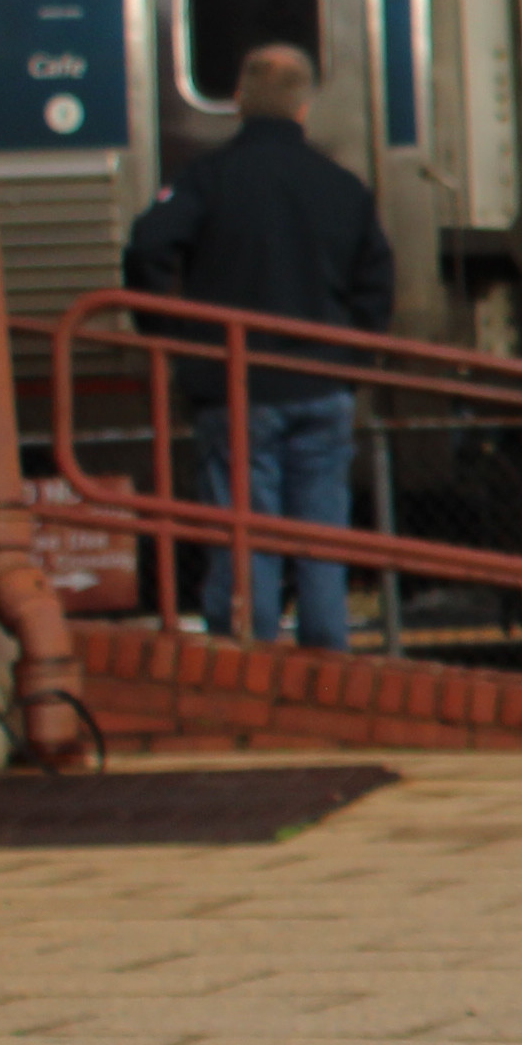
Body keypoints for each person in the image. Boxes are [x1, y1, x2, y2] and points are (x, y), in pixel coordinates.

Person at [121, 43, 394, 651]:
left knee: (246, 534)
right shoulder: (342, 186)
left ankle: (252, 656)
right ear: (304, 107)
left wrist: (167, 337)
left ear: (240, 102)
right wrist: (352, 361)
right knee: (323, 533)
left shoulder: (208, 179)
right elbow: (376, 283)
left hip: (235, 386)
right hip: (322, 384)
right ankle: (329, 657)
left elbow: (147, 247)